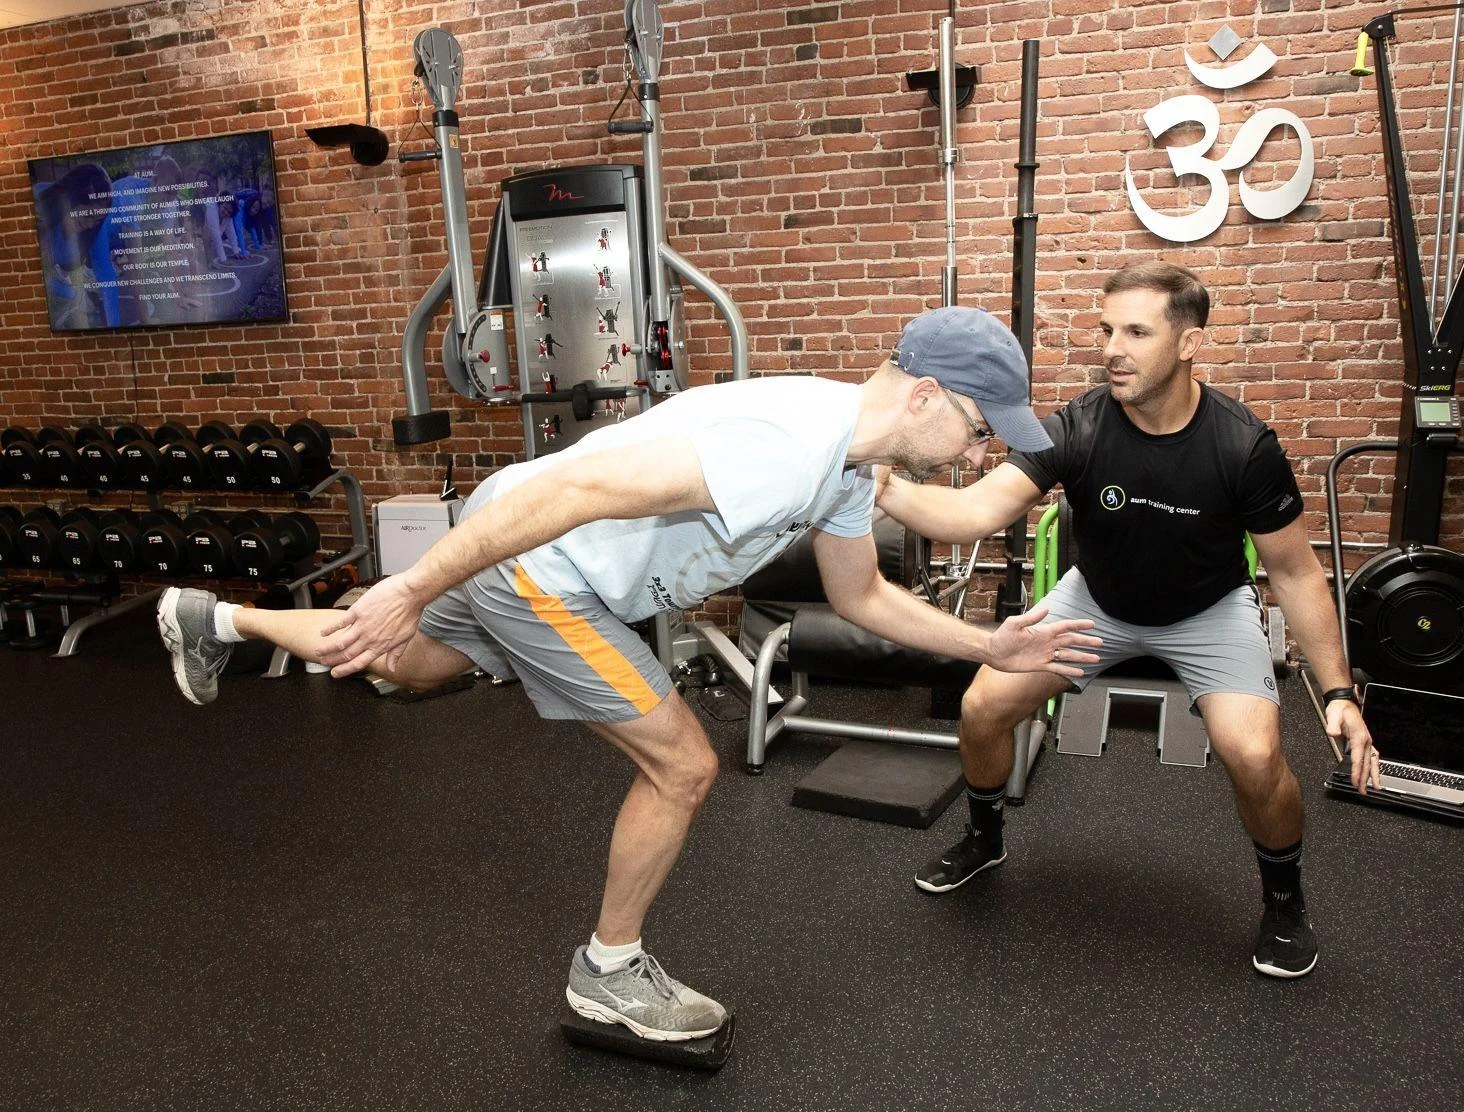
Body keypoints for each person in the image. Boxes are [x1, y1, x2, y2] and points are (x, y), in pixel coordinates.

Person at [155, 306, 1101, 1042]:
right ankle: (608, 971)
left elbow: (861, 599)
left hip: (520, 544)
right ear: (928, 394)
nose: (982, 455)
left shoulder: (850, 468)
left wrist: (992, 648)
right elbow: (569, 491)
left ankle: (215, 616)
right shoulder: (792, 445)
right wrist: (411, 583)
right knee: (683, 768)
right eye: (981, 429)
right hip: (542, 562)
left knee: (413, 665)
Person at [876, 263, 1378, 980]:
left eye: (1137, 331)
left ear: (1190, 342)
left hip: (1207, 610)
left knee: (1257, 755)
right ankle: (985, 839)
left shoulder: (1242, 446)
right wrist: (882, 482)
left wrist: (1336, 693)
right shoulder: (1078, 427)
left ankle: (1284, 901)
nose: (1113, 346)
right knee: (983, 706)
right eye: (1107, 328)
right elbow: (970, 514)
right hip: (1098, 603)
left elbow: (1296, 573)